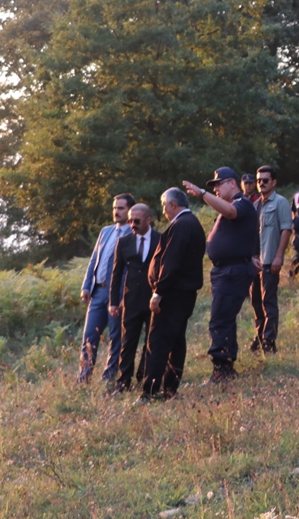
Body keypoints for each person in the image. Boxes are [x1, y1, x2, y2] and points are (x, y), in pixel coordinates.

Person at [183, 168, 258, 381]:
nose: (215, 188)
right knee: (225, 318)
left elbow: (232, 213)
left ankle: (222, 369)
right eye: (212, 186)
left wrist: (202, 194)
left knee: (219, 320)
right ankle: (226, 365)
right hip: (226, 269)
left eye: (218, 184)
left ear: (232, 183)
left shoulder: (241, 203)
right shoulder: (231, 206)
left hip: (232, 271)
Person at [139, 189, 206, 401]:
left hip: (173, 294)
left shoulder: (181, 225)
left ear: (173, 205)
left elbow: (171, 261)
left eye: (164, 205)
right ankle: (170, 389)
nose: (163, 211)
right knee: (176, 341)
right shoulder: (191, 223)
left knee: (158, 341)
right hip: (183, 294)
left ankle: (149, 392)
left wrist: (158, 291)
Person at [77, 193, 135, 385]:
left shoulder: (134, 234)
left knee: (115, 337)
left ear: (130, 211)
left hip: (117, 294)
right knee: (89, 337)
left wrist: (124, 296)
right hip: (97, 291)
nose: (116, 212)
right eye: (114, 208)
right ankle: (83, 378)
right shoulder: (106, 231)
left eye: (121, 208)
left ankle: (108, 379)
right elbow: (94, 259)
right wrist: (87, 285)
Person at [108, 203, 158, 394]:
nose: (132, 224)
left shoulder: (160, 239)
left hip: (153, 299)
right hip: (131, 300)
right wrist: (114, 301)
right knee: (127, 342)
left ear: (148, 220)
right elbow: (116, 272)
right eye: (130, 220)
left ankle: (145, 376)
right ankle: (123, 382)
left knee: (151, 341)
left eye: (136, 221)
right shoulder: (124, 241)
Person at [249, 166, 292, 354]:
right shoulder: (255, 205)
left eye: (265, 180)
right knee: (256, 302)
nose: (261, 183)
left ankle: (269, 341)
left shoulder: (281, 202)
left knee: (269, 302)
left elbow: (286, 229)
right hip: (255, 263)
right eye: (259, 180)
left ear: (274, 182)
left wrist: (278, 256)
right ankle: (259, 336)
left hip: (270, 261)